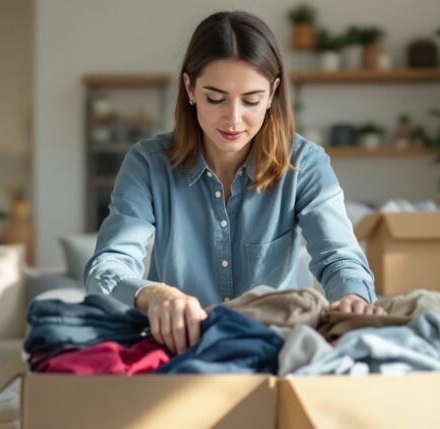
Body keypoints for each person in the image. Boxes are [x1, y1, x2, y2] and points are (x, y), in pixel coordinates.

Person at [85, 10, 383, 356]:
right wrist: (154, 294)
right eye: (215, 98)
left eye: (252, 100)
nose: (234, 118)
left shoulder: (305, 164)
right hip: (180, 351)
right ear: (190, 88)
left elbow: (338, 257)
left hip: (275, 349)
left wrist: (352, 297)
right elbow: (106, 268)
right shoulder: (147, 164)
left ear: (273, 94)